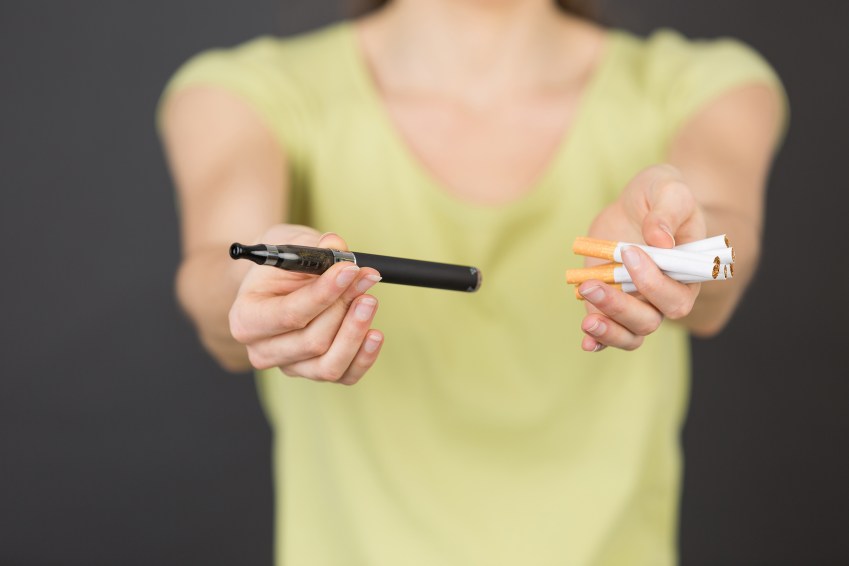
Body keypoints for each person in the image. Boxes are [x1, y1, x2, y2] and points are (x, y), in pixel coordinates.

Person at [157, 0, 786, 563]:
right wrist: (252, 296)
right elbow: (216, 278)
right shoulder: (242, 92)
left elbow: (725, 264)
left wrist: (673, 246)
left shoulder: (703, 84)